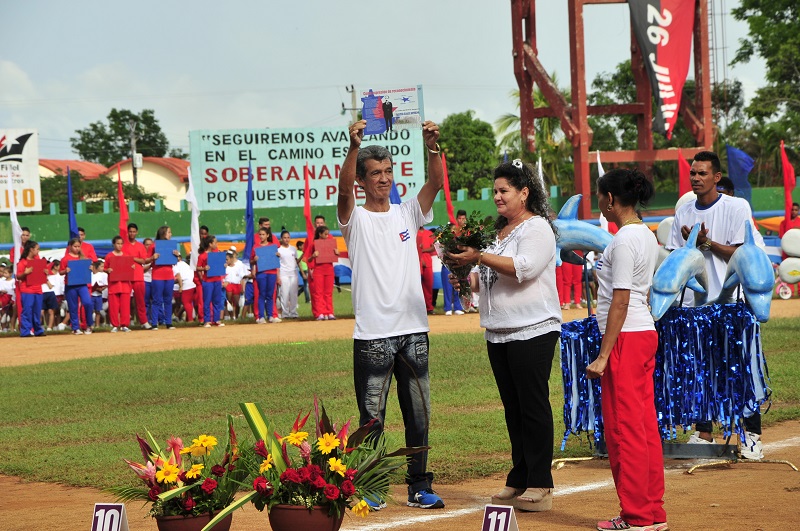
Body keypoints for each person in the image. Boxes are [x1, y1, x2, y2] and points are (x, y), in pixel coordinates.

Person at [338, 119, 445, 510]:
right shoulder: (354, 220)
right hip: (373, 335)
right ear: (362, 182)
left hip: (414, 330)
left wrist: (432, 148)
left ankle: (419, 485)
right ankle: (372, 485)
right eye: (375, 174)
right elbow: (342, 191)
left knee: (418, 414)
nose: (383, 179)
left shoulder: (407, 213)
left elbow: (433, 184)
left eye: (387, 171)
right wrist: (353, 148)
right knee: (372, 420)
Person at [445, 159, 561, 512]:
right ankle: (520, 475)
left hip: (533, 329)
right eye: (494, 191)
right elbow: (488, 280)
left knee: (533, 406)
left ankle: (540, 482)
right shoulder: (499, 233)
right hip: (499, 332)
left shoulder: (537, 228)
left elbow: (524, 270)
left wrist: (479, 257)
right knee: (514, 409)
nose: (497, 197)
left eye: (503, 191)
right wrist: (465, 275)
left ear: (524, 193)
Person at [666, 150, 765, 459]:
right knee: (700, 370)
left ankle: (751, 436)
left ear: (717, 177)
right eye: (693, 173)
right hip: (697, 306)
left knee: (740, 369)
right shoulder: (683, 211)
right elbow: (676, 256)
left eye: (702, 173)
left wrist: (705, 244)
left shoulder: (736, 207)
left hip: (732, 302)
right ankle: (704, 432)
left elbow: (741, 254)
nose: (695, 178)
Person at [584, 168, 666, 531]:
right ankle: (651, 512)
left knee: (624, 429)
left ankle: (636, 517)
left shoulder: (623, 240)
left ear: (611, 200)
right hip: (641, 333)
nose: (598, 202)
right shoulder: (642, 234)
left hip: (626, 339)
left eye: (600, 196)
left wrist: (604, 354)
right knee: (644, 426)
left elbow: (620, 299)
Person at [122, 223, 154, 329]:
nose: (132, 233)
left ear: (137, 232)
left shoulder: (140, 246)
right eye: (130, 231)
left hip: (138, 276)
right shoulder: (123, 245)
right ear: (127, 232)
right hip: (126, 276)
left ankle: (144, 321)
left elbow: (143, 260)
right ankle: (125, 323)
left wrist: (132, 258)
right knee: (126, 301)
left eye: (134, 231)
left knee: (140, 300)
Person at [60, 238, 94, 335]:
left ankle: (89, 324)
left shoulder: (83, 258)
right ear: (70, 247)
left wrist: (91, 268)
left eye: (79, 246)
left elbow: (91, 270)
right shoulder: (65, 259)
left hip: (82, 284)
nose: (77, 248)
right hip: (70, 285)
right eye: (75, 246)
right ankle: (75, 327)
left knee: (87, 303)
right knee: (73, 307)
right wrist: (65, 270)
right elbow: (60, 272)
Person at [149, 226, 180, 330]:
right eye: (169, 232)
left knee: (168, 299)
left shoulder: (172, 246)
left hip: (169, 275)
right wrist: (153, 257)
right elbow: (147, 259)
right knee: (157, 300)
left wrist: (177, 255)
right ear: (163, 233)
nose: (170, 234)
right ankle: (154, 323)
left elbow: (176, 260)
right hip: (157, 275)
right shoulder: (154, 246)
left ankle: (169, 322)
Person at [16, 240, 46, 337]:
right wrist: (25, 272)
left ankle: (38, 330)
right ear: (31, 249)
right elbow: (18, 276)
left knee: (37, 311)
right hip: (27, 290)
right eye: (37, 249)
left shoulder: (38, 261)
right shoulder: (22, 262)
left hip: (38, 289)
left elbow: (42, 275)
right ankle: (25, 331)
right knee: (27, 311)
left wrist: (45, 272)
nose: (38, 251)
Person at [307, 225, 338, 320]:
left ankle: (329, 312)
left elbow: (335, 256)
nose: (327, 236)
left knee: (328, 292)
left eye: (328, 234)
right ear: (320, 234)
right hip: (318, 270)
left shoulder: (331, 244)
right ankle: (320, 312)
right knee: (318, 292)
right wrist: (313, 256)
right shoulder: (313, 244)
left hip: (329, 269)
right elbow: (308, 259)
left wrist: (337, 253)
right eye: (325, 234)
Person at [251, 227, 281, 324]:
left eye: (263, 234)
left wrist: (277, 255)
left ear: (268, 235)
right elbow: (251, 261)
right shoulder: (255, 247)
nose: (261, 236)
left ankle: (271, 315)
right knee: (262, 294)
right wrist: (254, 260)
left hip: (272, 272)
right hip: (261, 273)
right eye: (260, 234)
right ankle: (261, 317)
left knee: (270, 294)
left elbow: (277, 259)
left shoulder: (273, 246)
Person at [104, 235, 133, 332]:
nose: (119, 246)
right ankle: (115, 325)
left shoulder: (126, 255)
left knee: (125, 306)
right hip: (114, 285)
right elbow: (105, 268)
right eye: (118, 243)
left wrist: (132, 268)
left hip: (125, 284)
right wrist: (107, 270)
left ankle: (125, 325)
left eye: (121, 244)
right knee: (114, 306)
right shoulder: (109, 256)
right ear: (114, 244)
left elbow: (130, 267)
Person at [440, 212, 465, 316]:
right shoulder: (444, 239)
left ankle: (458, 307)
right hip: (447, 265)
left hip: (458, 265)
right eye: (452, 229)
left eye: (455, 229)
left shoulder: (462, 237)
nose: (454, 231)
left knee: (458, 286)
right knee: (447, 287)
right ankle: (447, 307)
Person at [197, 235, 226, 327]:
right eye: (215, 242)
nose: (217, 244)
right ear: (210, 244)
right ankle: (207, 320)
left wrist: (224, 265)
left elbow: (222, 263)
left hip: (217, 280)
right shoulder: (202, 256)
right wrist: (204, 268)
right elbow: (197, 267)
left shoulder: (217, 253)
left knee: (217, 300)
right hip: (208, 281)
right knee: (207, 301)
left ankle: (216, 319)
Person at [277, 230, 300, 319]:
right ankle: (285, 313)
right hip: (284, 274)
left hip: (293, 273)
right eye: (284, 238)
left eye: (288, 238)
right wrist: (278, 276)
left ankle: (293, 312)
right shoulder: (279, 250)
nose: (286, 239)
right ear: (281, 239)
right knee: (284, 294)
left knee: (293, 294)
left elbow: (296, 261)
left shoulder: (293, 249)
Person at [417, 226, 436, 314]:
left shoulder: (429, 234)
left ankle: (429, 308)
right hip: (417, 261)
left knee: (428, 286)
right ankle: (419, 308)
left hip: (427, 262)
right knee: (417, 287)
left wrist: (423, 250)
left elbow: (434, 247)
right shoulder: (414, 233)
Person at [173, 254, 197, 322]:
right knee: (188, 303)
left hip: (187, 284)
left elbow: (179, 278)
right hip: (193, 283)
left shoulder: (175, 265)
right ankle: (188, 318)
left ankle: (190, 319)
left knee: (186, 303)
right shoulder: (183, 263)